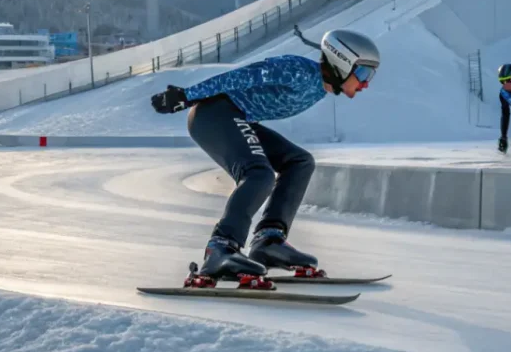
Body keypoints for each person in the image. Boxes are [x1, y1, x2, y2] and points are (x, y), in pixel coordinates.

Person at [150, 28, 379, 285]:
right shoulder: (298, 71)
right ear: (342, 62)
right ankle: (220, 249)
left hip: (235, 116)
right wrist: (187, 95)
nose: (366, 83)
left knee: (299, 162)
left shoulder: (319, 88)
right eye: (363, 73)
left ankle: (268, 242)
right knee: (259, 174)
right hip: (214, 114)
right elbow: (242, 77)